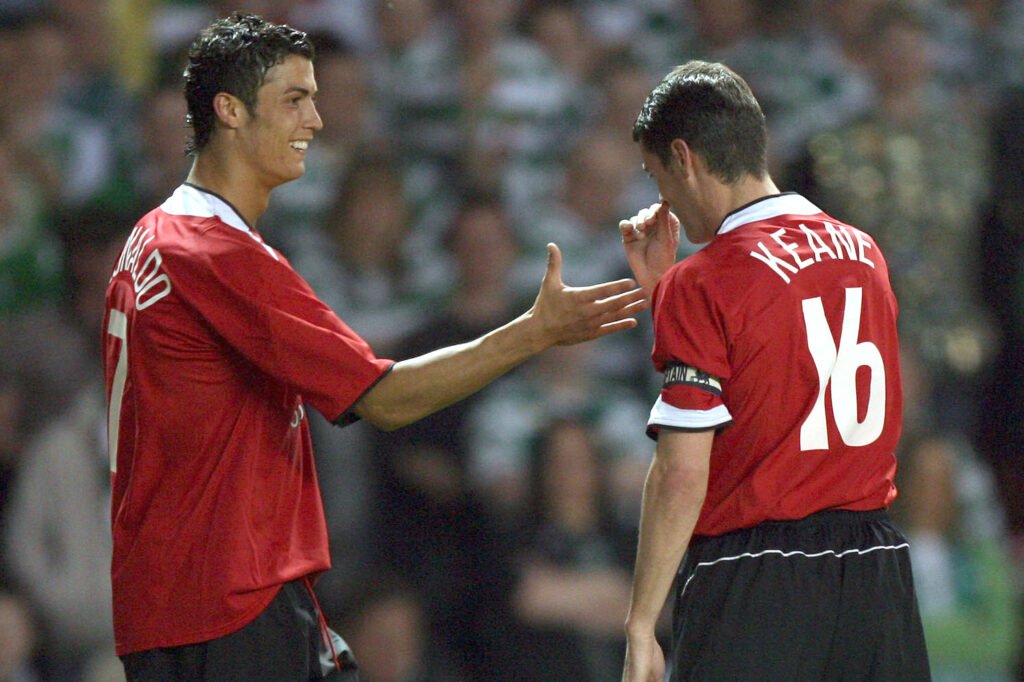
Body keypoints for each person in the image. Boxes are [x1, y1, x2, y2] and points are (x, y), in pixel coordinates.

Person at [101, 12, 645, 682]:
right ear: (231, 110)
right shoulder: (218, 255)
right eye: (294, 100)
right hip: (227, 602)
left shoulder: (151, 237)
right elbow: (384, 398)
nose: (315, 121)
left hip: (175, 599)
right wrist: (535, 331)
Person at [616, 60, 930, 681]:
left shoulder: (705, 280)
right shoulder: (864, 252)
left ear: (684, 158)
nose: (663, 199)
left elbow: (681, 471)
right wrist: (665, 296)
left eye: (657, 176)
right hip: (877, 572)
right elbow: (783, 370)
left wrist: (642, 623)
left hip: (757, 578)